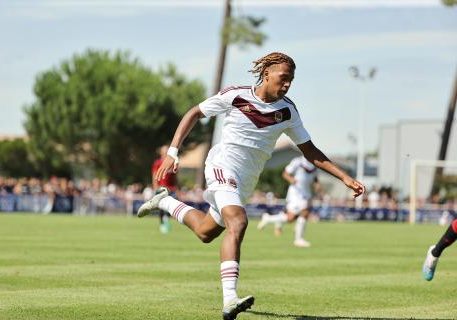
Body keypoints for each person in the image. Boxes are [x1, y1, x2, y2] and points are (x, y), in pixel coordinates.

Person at [137, 52, 365, 320]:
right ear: (266, 73)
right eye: (284, 78)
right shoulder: (236, 95)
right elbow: (195, 113)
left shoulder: (287, 111)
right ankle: (230, 298)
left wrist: (344, 177)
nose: (288, 84)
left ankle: (163, 201)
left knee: (206, 232)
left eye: (291, 80)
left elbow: (310, 150)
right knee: (238, 222)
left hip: (244, 182)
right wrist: (173, 152)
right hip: (222, 167)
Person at [257, 155, 320, 247]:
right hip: (295, 193)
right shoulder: (297, 162)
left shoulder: (314, 164)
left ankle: (298, 238)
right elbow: (285, 173)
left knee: (298, 215)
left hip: (306, 193)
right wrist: (291, 179)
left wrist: (317, 184)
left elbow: (315, 178)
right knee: (296, 215)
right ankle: (297, 239)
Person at [152, 145, 179, 234]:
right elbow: (155, 176)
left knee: (170, 206)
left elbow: (175, 177)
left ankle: (166, 220)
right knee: (162, 207)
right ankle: (162, 224)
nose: (166, 151)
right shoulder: (158, 162)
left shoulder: (172, 162)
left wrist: (177, 188)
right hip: (161, 188)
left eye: (167, 150)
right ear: (161, 152)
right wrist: (156, 188)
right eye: (164, 150)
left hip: (171, 189)